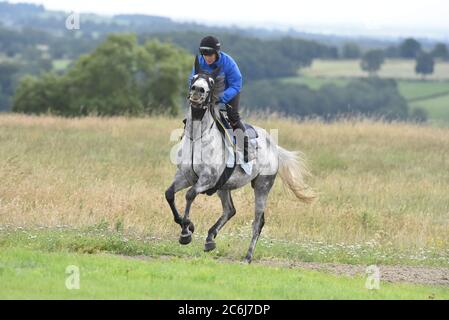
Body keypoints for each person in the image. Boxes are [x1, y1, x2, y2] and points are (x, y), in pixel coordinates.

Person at [187, 35, 247, 143]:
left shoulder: (228, 62)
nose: (207, 58)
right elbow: (192, 79)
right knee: (193, 113)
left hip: (228, 92)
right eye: (205, 55)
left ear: (217, 53)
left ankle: (245, 149)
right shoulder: (200, 61)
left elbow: (236, 85)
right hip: (206, 93)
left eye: (210, 55)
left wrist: (222, 97)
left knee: (233, 117)